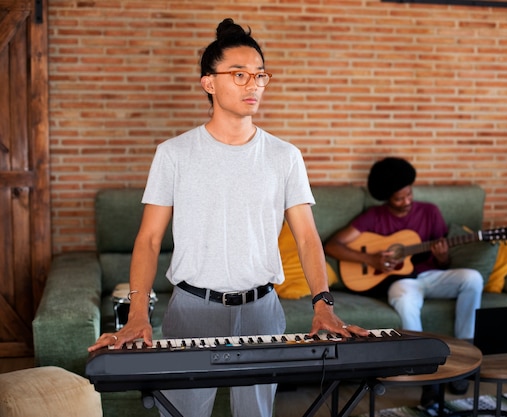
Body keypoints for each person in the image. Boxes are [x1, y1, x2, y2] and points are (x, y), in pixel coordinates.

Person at [88, 18, 367, 417]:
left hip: (263, 309)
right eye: (239, 74)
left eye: (259, 75)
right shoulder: (174, 154)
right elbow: (149, 239)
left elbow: (307, 237)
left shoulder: (285, 156)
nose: (253, 84)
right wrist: (137, 315)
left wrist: (322, 304)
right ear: (209, 83)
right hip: (191, 308)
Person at [324, 157, 483, 405]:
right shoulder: (374, 217)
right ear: (387, 198)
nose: (406, 201)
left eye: (409, 194)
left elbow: (444, 263)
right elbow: (333, 245)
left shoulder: (430, 211)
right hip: (402, 283)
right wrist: (370, 259)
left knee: (472, 278)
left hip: (432, 276)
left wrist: (443, 257)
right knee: (405, 299)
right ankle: (423, 366)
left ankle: (465, 353)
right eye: (399, 198)